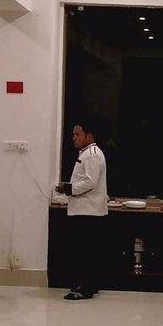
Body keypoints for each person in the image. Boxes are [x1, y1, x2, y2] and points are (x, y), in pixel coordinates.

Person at [54, 119, 109, 300]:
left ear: (89, 136)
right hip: (85, 210)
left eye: (78, 134)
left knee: (84, 252)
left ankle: (85, 288)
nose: (74, 138)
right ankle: (87, 285)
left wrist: (69, 188)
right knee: (85, 251)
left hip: (88, 211)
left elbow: (90, 182)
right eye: (73, 134)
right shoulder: (87, 153)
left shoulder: (92, 154)